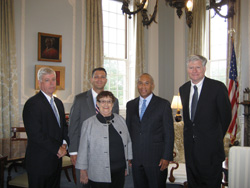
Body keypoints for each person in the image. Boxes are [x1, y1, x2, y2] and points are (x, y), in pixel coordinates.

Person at [179, 55, 232, 188]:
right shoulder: (183, 89)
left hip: (211, 151)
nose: (194, 70)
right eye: (191, 67)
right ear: (187, 69)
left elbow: (226, 117)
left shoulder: (217, 87)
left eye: (198, 67)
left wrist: (215, 137)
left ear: (204, 68)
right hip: (191, 150)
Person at [68, 67, 119, 188]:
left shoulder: (113, 101)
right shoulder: (80, 99)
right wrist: (73, 151)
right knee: (84, 183)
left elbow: (115, 127)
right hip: (83, 150)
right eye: (96, 77)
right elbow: (73, 126)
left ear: (106, 80)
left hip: (105, 152)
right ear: (91, 79)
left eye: (102, 77)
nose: (99, 79)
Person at [23, 67, 69, 188]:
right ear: (40, 83)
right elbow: (35, 134)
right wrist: (57, 148)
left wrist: (64, 144)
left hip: (56, 159)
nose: (52, 83)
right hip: (40, 161)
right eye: (47, 80)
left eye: (53, 79)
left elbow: (63, 126)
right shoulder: (32, 104)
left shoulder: (58, 103)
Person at [126, 73, 174, 188]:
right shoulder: (131, 105)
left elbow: (169, 133)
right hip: (136, 158)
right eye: (140, 83)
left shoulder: (163, 104)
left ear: (152, 85)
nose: (143, 86)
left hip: (156, 159)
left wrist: (166, 156)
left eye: (147, 83)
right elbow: (128, 132)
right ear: (137, 85)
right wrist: (128, 155)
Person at [75, 91, 132, 188]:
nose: (106, 104)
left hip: (119, 169)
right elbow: (83, 149)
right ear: (97, 104)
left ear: (113, 104)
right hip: (98, 172)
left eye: (109, 101)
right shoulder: (88, 124)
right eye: (102, 101)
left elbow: (128, 141)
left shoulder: (121, 120)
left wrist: (127, 162)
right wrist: (83, 170)